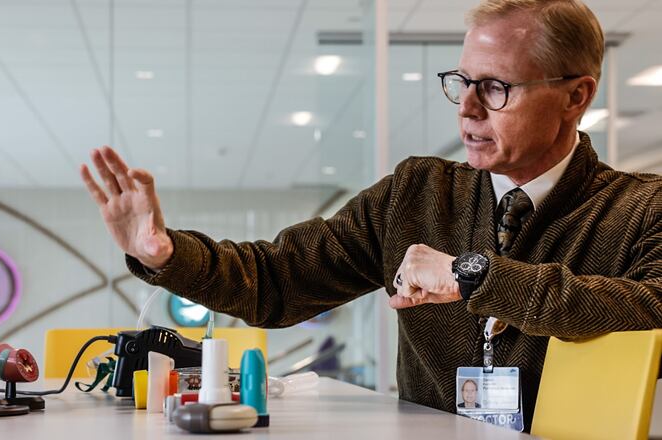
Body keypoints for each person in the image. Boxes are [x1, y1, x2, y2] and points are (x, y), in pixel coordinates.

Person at [79, 0, 662, 431]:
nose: (467, 107)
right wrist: (167, 254)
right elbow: (281, 279)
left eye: (495, 87)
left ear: (575, 96)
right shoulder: (418, 192)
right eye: (461, 82)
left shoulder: (642, 208)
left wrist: (477, 277)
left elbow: (651, 310)